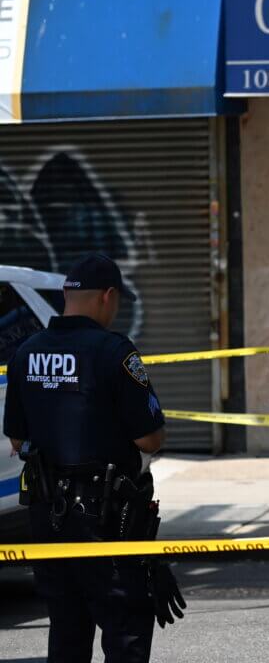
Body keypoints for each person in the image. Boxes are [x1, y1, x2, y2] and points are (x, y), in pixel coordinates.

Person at [2, 252, 185, 663]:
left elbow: (16, 438)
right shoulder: (114, 352)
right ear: (107, 296)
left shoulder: (26, 353)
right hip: (108, 522)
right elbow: (150, 439)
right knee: (125, 630)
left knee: (66, 630)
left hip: (48, 520)